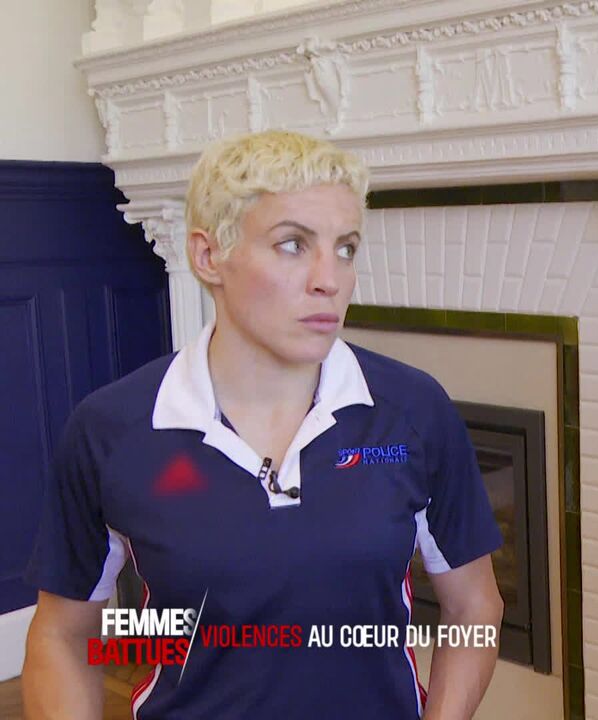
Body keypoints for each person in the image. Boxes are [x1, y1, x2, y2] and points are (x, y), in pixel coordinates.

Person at [23, 130, 504, 719]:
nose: (330, 279)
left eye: (346, 248)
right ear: (208, 256)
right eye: (293, 244)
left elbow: (473, 608)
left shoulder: (413, 410)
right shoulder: (110, 429)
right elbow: (64, 635)